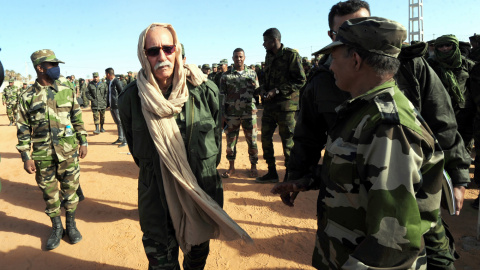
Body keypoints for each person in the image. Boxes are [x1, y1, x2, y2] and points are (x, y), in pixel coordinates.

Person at [277, 1, 469, 269]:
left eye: (337, 54)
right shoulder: (335, 89)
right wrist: (303, 177)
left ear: (355, 58)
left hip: (391, 230)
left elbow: (393, 239)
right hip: (353, 226)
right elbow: (319, 142)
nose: (331, 64)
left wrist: (458, 175)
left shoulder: (389, 122)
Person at [118, 23, 251, 269]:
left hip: (199, 196)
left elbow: (215, 150)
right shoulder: (131, 99)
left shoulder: (205, 91)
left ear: (177, 50)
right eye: (153, 51)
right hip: (156, 200)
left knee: (196, 260)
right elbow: (140, 155)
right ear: (143, 55)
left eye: (168, 48)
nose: (162, 56)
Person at [16, 49, 87, 250]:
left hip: (68, 152)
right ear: (40, 68)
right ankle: (56, 228)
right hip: (42, 155)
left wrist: (84, 141)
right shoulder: (27, 96)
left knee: (70, 191)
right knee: (49, 194)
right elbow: (22, 128)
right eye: (52, 65)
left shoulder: (66, 88)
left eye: (57, 65)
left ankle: (71, 225)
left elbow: (77, 117)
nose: (56, 69)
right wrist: (25, 156)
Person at [255, 27, 306, 183]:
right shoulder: (269, 56)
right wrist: (263, 89)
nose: (263, 44)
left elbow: (300, 80)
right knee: (264, 138)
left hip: (286, 107)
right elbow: (267, 79)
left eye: (265, 41)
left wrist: (277, 91)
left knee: (288, 142)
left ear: (274, 40)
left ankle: (290, 175)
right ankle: (272, 172)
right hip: (270, 106)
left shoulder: (291, 55)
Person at [428, 35, 476, 153]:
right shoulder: (430, 65)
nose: (445, 49)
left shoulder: (467, 65)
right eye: (441, 46)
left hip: (463, 113)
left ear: (454, 46)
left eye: (448, 45)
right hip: (439, 113)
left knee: (464, 150)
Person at [219, 48, 259, 179]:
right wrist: (223, 115)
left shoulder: (252, 74)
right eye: (236, 57)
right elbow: (222, 96)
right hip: (231, 115)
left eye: (241, 56)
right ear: (233, 58)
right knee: (230, 143)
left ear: (245, 57)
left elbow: (257, 92)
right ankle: (231, 167)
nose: (239, 59)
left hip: (249, 114)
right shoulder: (225, 76)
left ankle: (253, 166)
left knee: (252, 141)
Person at [105, 67, 126, 147]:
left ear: (108, 74)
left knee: (121, 123)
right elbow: (110, 94)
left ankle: (125, 140)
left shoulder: (117, 81)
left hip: (117, 106)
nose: (106, 76)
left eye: (106, 74)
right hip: (112, 105)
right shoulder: (110, 82)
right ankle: (120, 138)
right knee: (118, 123)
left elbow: (122, 93)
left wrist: (121, 104)